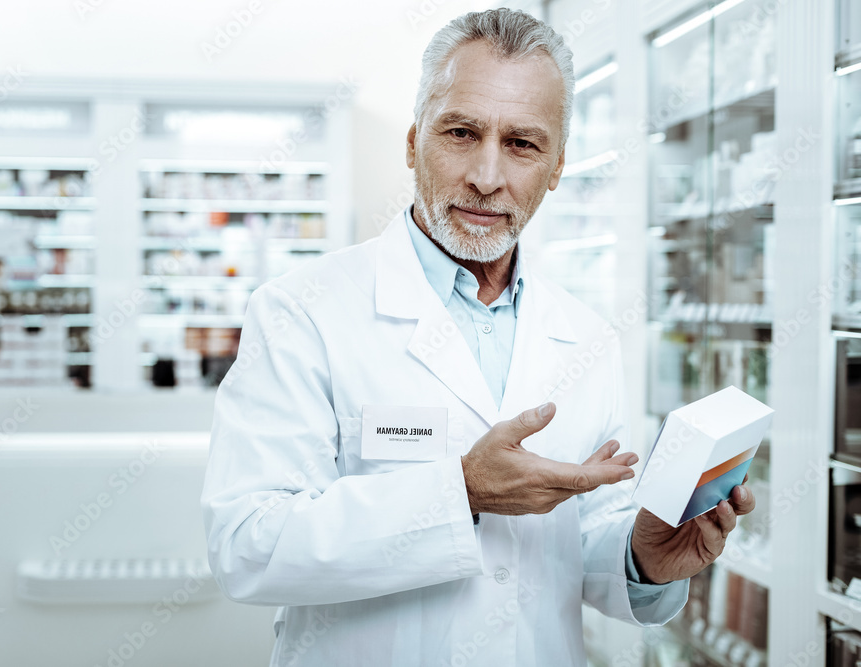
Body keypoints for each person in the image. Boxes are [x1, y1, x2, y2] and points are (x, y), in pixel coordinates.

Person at [201, 9, 755, 666]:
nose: (488, 176)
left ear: (556, 166)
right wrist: (460, 490)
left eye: (523, 143)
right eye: (461, 133)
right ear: (413, 143)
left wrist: (644, 555)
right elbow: (247, 544)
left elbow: (578, 543)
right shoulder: (303, 311)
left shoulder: (586, 338)